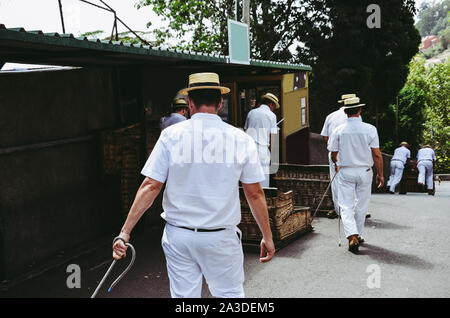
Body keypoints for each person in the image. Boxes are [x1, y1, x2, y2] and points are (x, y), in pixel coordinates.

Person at [112, 72, 275, 298]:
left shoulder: (170, 136)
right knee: (229, 295)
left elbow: (150, 185)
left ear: (189, 103)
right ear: (220, 102)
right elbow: (255, 193)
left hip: (179, 236)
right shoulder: (240, 139)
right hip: (220, 236)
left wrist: (124, 233)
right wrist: (267, 236)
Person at [328, 97, 384, 254]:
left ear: (345, 112)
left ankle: (352, 235)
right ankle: (357, 235)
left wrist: (338, 165)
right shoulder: (370, 129)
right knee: (361, 204)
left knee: (346, 205)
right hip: (365, 171)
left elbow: (333, 154)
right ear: (359, 110)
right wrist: (381, 174)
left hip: (346, 170)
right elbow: (377, 154)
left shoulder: (338, 130)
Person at [321, 93, 359, 219]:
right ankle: (353, 209)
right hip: (351, 151)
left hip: (334, 151)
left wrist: (334, 144)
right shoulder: (357, 117)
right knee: (352, 179)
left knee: (336, 181)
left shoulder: (330, 116)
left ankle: (339, 210)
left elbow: (325, 137)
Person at [244, 92, 279, 188]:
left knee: (250, 178)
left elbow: (246, 130)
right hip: (262, 150)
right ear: (271, 104)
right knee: (263, 181)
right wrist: (274, 158)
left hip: (249, 149)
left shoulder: (251, 113)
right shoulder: (271, 116)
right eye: (274, 107)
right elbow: (273, 139)